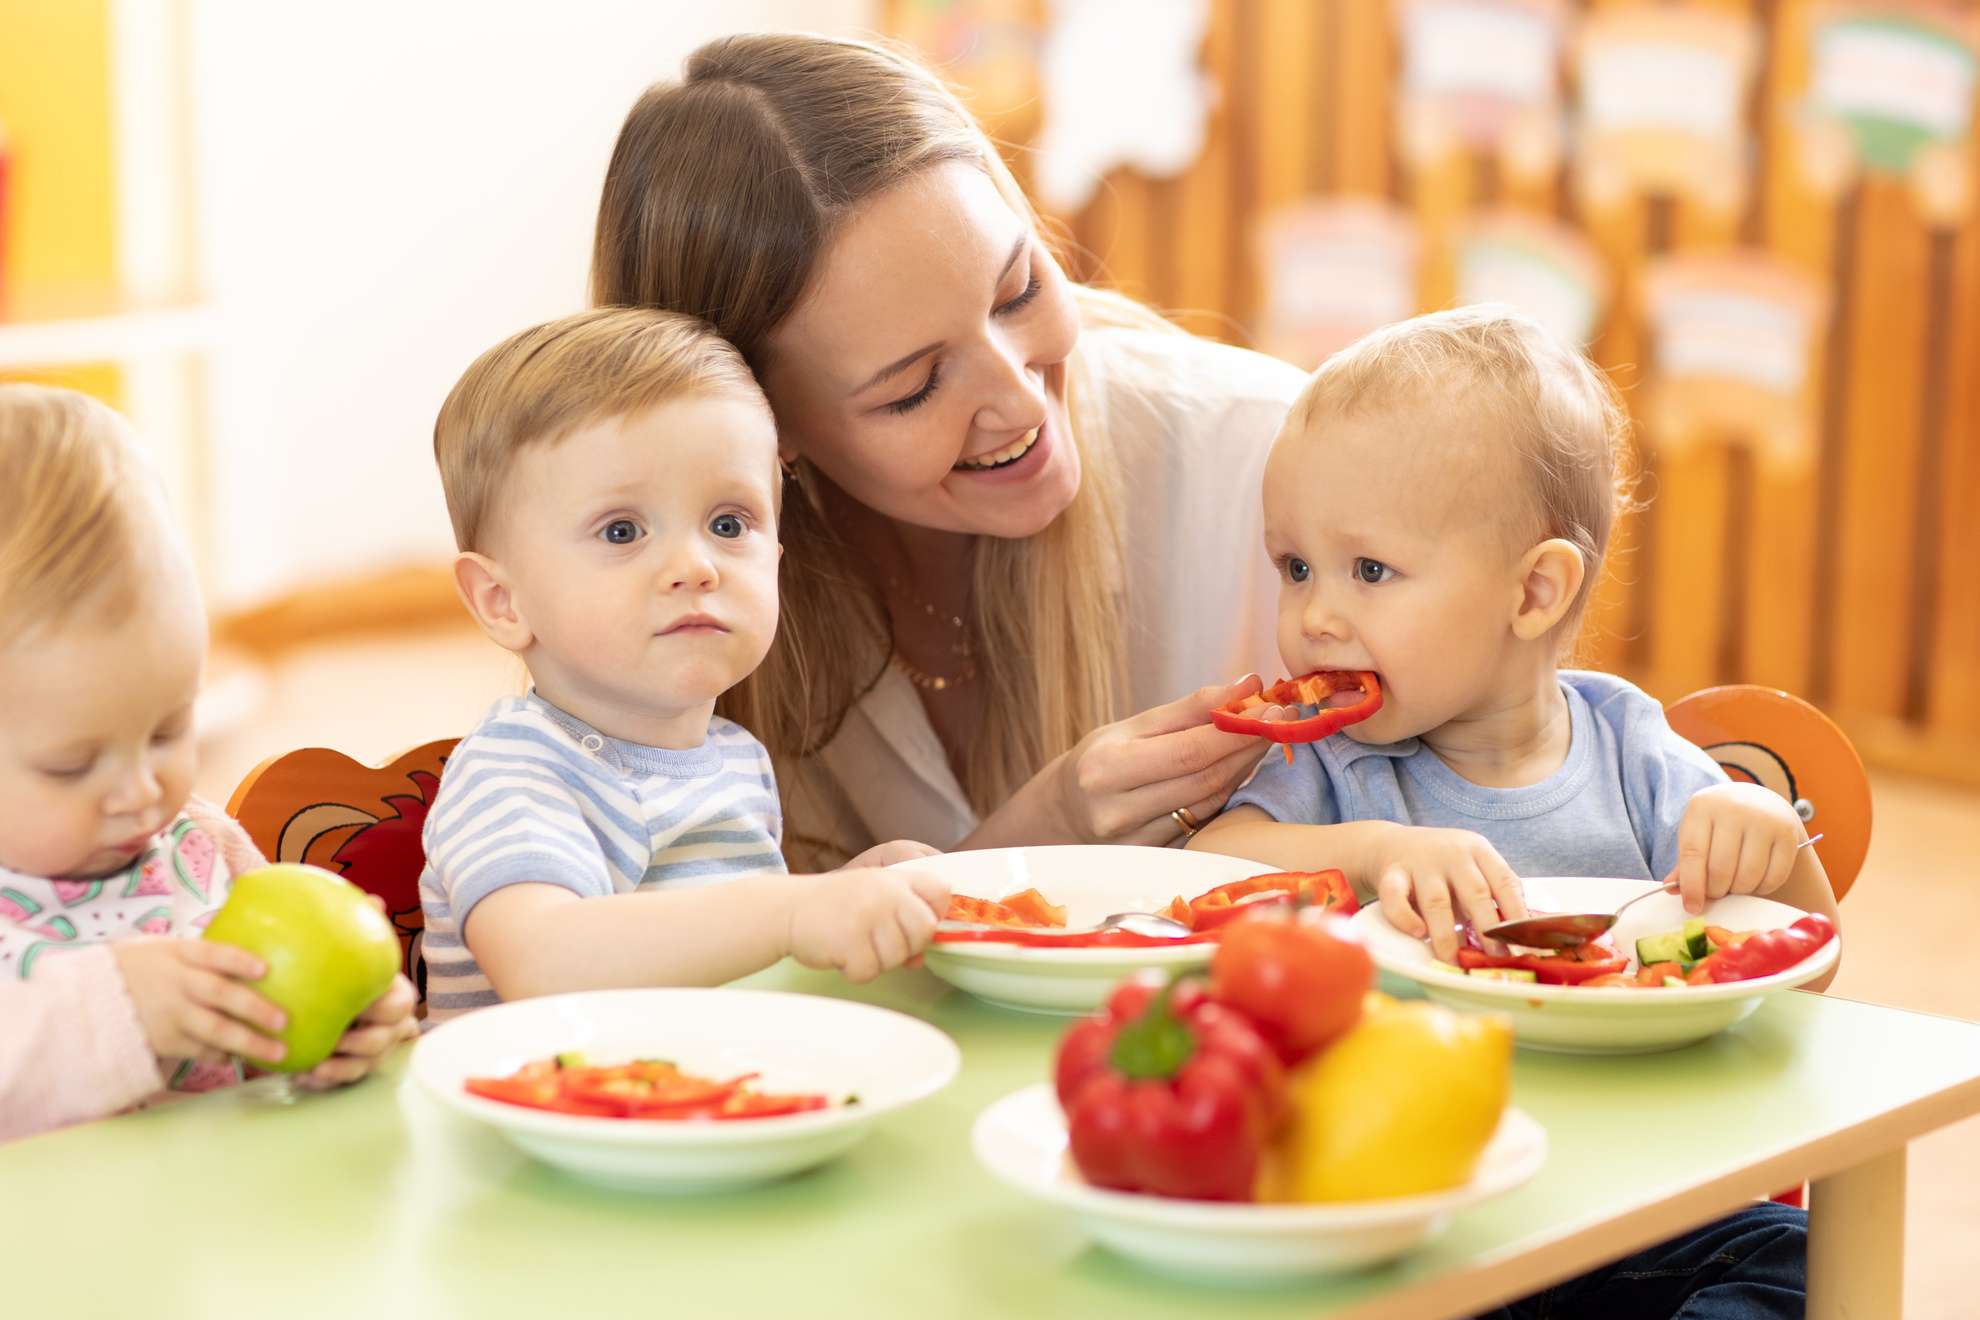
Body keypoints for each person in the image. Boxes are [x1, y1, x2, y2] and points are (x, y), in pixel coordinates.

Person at [590, 31, 1300, 869]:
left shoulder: (1274, 459)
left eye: (1019, 290)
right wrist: (1049, 827)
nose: (1018, 397)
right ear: (762, 424)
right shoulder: (683, 591)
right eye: (914, 387)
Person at [1187, 306, 1840, 977]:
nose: (1315, 615)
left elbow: (1811, 966)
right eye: (1295, 568)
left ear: (1533, 593)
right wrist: (1373, 853)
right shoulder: (1332, 760)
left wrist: (1769, 831)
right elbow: (1206, 863)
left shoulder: (1633, 752)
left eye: (1370, 570)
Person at [421, 307, 951, 1024]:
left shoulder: (733, 757)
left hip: (696, 1104)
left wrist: (849, 897)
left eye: (729, 524)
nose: (695, 566)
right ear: (502, 600)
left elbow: (724, 956)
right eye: (622, 531)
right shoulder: (515, 770)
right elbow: (545, 964)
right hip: (542, 1120)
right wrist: (792, 910)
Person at [0, 385, 416, 1141]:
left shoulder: (203, 851)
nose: (141, 790)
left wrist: (341, 1029)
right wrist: (116, 1011)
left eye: (166, 731)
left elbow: (264, 1029)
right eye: (71, 765)